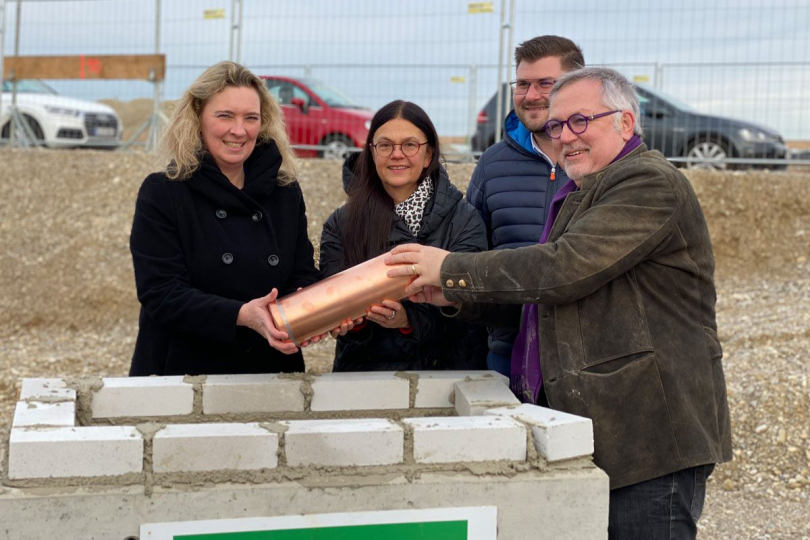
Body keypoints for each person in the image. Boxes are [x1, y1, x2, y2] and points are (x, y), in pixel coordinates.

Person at [386, 68, 732, 539]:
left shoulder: (649, 183)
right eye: (556, 125)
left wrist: (451, 268)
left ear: (625, 123)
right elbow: (545, 303)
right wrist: (454, 295)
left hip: (651, 437)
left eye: (580, 121)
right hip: (612, 432)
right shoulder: (586, 191)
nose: (565, 136)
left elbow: (563, 269)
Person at [129, 61, 353, 377]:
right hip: (183, 373)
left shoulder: (284, 190)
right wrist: (241, 315)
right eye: (225, 116)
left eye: (251, 118)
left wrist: (314, 310)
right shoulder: (163, 192)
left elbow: (300, 271)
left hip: (269, 368)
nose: (239, 130)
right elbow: (162, 294)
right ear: (197, 119)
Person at [319, 100, 488, 372]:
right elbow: (332, 301)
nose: (397, 154)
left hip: (447, 374)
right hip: (363, 376)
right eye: (385, 145)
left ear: (428, 155)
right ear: (372, 154)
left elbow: (473, 306)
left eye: (410, 145)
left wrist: (409, 320)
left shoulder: (465, 219)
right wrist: (352, 322)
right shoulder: (341, 224)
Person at [466, 35, 585, 377]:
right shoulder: (492, 163)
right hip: (507, 353)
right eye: (522, 84)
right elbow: (472, 255)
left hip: (585, 359)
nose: (531, 95)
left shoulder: (602, 163)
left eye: (546, 83)